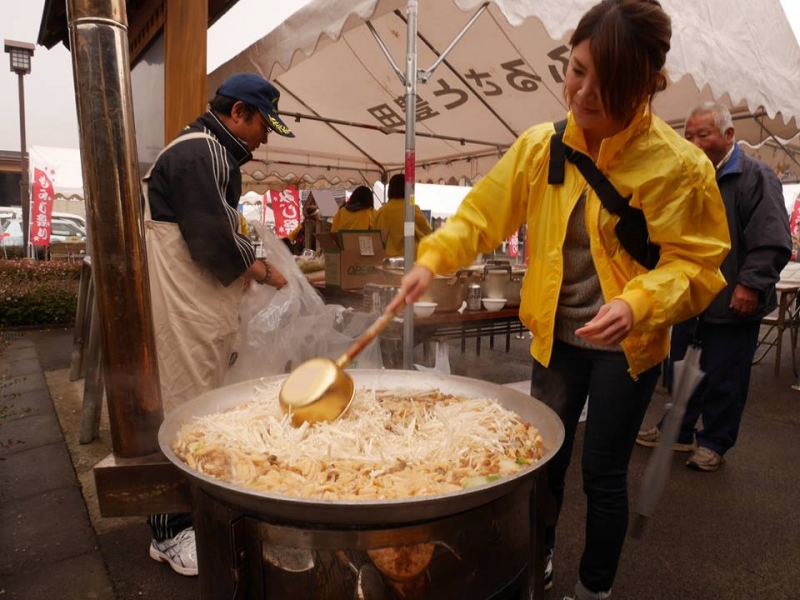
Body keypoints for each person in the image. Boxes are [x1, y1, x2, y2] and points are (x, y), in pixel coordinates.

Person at [387, 1, 731, 598]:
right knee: (539, 465)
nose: (584, 93)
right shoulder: (539, 146)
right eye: (576, 70)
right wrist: (431, 261)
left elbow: (698, 265)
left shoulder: (680, 168)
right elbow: (480, 216)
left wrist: (639, 302)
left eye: (609, 84)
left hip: (628, 348)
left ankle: (594, 588)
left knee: (602, 475)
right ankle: (537, 559)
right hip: (553, 339)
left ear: (646, 88)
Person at [141, 72, 293, 576]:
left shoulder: (215, 154)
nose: (264, 137)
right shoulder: (199, 151)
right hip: (185, 309)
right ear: (237, 113)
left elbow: (219, 229)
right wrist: (265, 270)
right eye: (261, 125)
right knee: (182, 406)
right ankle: (169, 532)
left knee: (200, 403)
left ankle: (190, 515)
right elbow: (211, 237)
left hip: (200, 308)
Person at [636, 102, 791, 471]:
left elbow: (771, 238)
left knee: (725, 374)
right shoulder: (687, 175)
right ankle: (679, 430)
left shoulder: (755, 176)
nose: (694, 142)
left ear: (728, 135)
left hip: (732, 297)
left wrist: (750, 285)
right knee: (679, 368)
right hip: (690, 297)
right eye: (688, 136)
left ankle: (714, 441)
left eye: (703, 134)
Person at [374, 173, 432, 257]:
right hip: (410, 261)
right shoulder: (412, 209)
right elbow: (427, 233)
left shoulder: (382, 211)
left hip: (387, 262)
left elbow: (376, 239)